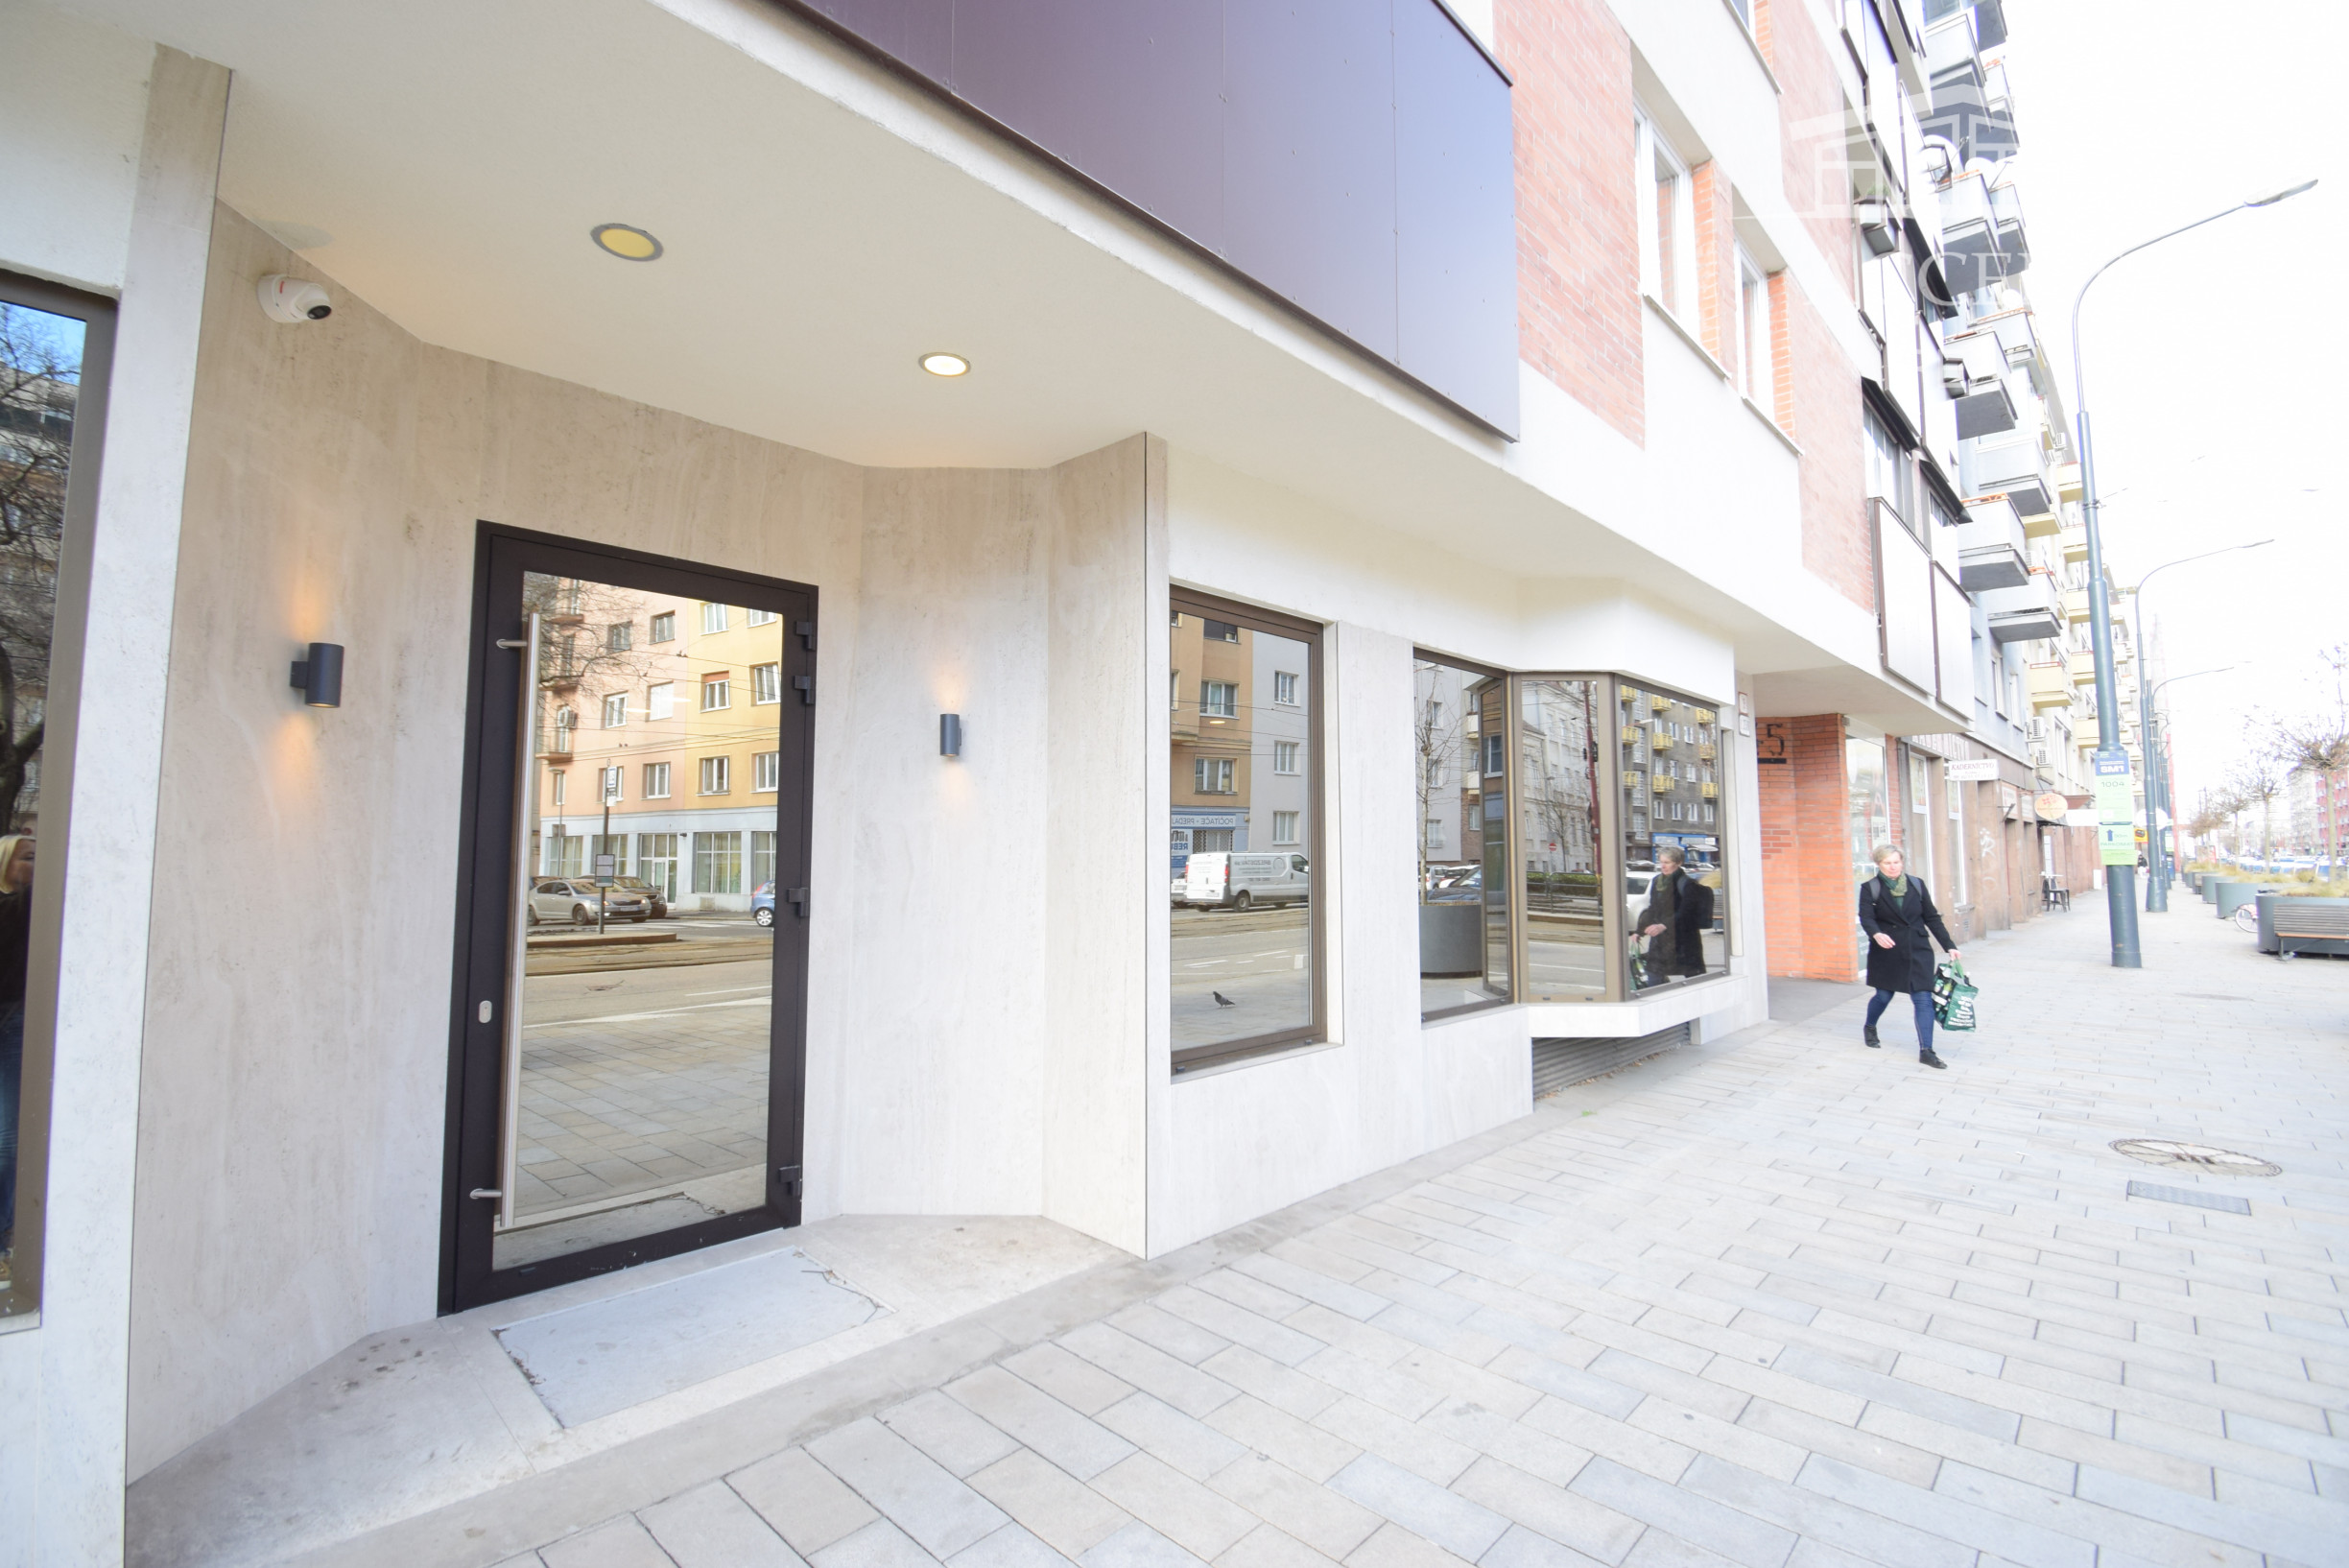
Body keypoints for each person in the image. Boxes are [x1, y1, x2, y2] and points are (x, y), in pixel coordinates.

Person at [1857, 843, 1958, 1068]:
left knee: (1923, 999)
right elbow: (1866, 917)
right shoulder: (1870, 888)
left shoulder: (1916, 885)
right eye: (1887, 863)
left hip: (1918, 949)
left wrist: (1949, 945)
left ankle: (1926, 1051)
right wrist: (1876, 934)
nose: (1892, 867)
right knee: (1883, 996)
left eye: (1896, 862)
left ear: (1902, 862)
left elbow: (1931, 917)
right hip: (1888, 950)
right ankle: (1870, 1026)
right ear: (1879, 864)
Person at [0, 833, 32, 1257]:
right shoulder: (17, 909)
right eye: (28, 857)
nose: (35, 866)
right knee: (9, 1135)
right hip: (13, 1019)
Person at [1636, 846, 1714, 987]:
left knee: (1694, 979)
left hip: (1684, 941)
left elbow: (1686, 912)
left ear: (1678, 863)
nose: (1663, 866)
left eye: (1667, 862)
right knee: (1654, 976)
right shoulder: (1657, 881)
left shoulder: (1688, 884)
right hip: (1661, 941)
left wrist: (1664, 925)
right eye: (1661, 862)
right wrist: (1639, 931)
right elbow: (1653, 908)